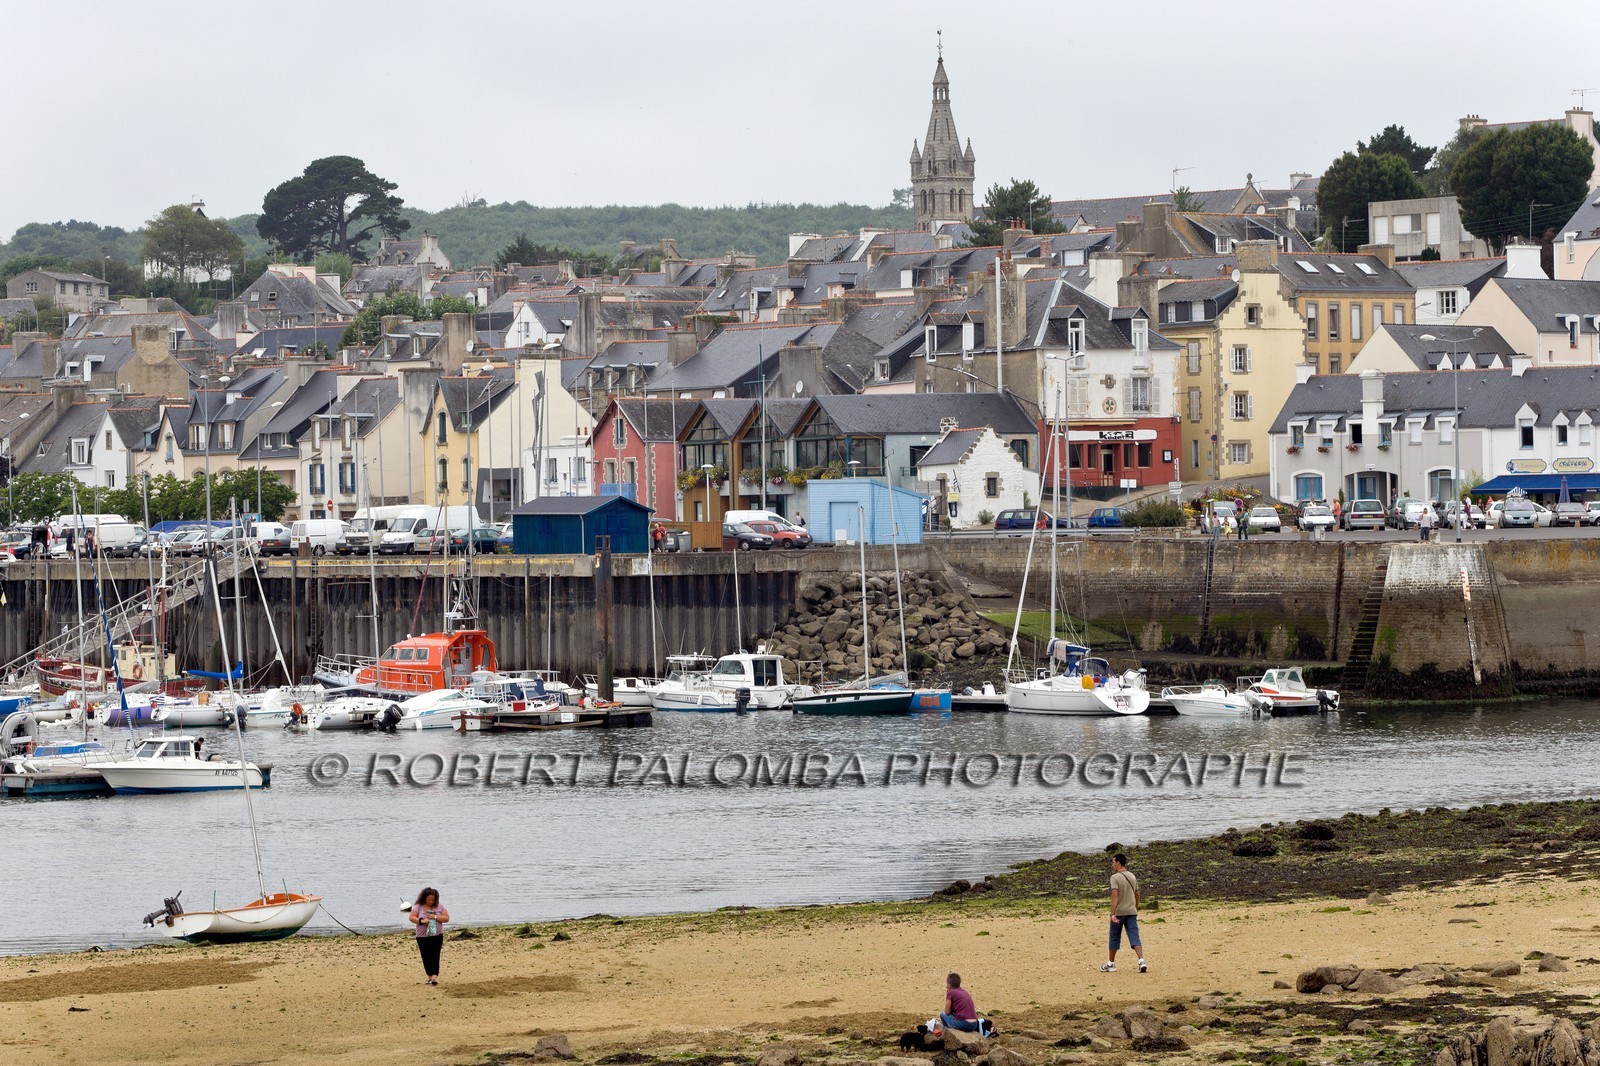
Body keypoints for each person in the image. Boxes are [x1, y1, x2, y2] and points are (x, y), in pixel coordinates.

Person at [1101, 852, 1146, 973]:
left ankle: (1111, 963)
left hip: (1119, 912)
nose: (1112, 865)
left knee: (1114, 937)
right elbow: (1137, 894)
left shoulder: (1114, 878)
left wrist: (1112, 913)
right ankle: (1141, 961)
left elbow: (1114, 895)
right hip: (1131, 911)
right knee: (1134, 936)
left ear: (1118, 862)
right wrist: (1135, 907)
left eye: (1113, 862)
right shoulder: (1132, 876)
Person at [410, 887, 450, 985]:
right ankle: (429, 976)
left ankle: (434, 977)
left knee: (435, 956)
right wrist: (422, 921)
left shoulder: (440, 907)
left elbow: (446, 918)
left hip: (437, 935)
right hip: (422, 937)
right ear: (424, 898)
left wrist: (435, 917)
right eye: (429, 900)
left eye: (433, 900)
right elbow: (411, 917)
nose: (431, 901)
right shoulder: (418, 907)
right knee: (426, 956)